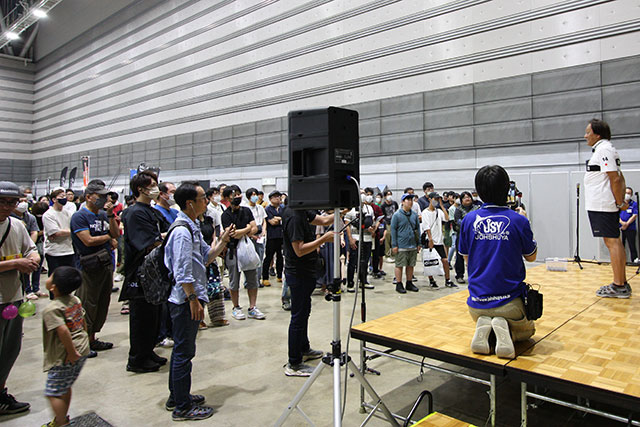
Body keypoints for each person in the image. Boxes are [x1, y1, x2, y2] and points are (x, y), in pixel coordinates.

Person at [163, 181, 229, 421]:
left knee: (183, 349)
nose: (206, 201)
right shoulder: (182, 231)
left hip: (190, 296)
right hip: (184, 300)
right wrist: (192, 299)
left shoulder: (192, 226)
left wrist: (223, 241)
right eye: (202, 198)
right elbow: (182, 271)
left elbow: (205, 257)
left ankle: (177, 396)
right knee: (184, 352)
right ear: (190, 203)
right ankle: (182, 407)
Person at [458, 165, 538, 359]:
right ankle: (508, 333)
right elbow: (531, 256)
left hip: (476, 303)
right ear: (506, 188)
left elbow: (466, 257)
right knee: (528, 332)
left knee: (486, 315)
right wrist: (525, 222)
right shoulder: (518, 220)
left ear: (479, 191)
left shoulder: (469, 219)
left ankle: (486, 329)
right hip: (509, 303)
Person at [120, 171, 169, 373]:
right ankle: (137, 359)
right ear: (141, 189)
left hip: (155, 270)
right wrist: (165, 240)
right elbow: (148, 242)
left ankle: (148, 351)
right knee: (141, 317)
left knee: (153, 315)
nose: (156, 188)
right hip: (140, 271)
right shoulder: (134, 213)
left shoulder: (151, 210)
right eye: (152, 185)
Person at [0, 181, 39, 416]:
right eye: (2, 202)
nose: (7, 206)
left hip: (13, 297)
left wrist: (33, 258)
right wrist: (16, 264)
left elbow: (30, 248)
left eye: (12, 202)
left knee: (10, 349)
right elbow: (18, 260)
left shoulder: (16, 225)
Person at [281, 206, 334, 376]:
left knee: (304, 312)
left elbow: (324, 220)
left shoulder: (302, 210)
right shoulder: (294, 216)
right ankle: (294, 363)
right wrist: (324, 239)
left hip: (307, 272)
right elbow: (299, 249)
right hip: (298, 273)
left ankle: (303, 348)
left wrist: (342, 210)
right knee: (298, 317)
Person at [70, 180, 119, 356]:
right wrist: (108, 237)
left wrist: (111, 216)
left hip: (105, 264)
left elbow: (116, 233)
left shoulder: (104, 215)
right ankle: (82, 343)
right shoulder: (79, 217)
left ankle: (92, 338)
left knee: (102, 303)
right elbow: (88, 240)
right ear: (89, 197)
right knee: (87, 304)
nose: (104, 199)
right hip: (88, 266)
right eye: (100, 196)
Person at [583, 119, 631, 298]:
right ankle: (622, 282)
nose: (585, 136)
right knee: (614, 241)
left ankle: (619, 286)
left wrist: (619, 202)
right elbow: (619, 176)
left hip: (603, 204)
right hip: (603, 204)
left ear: (597, 134)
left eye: (588, 132)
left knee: (612, 242)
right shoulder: (605, 149)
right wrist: (620, 201)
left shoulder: (604, 150)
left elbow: (615, 178)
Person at [41, 266, 89, 427]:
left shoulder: (52, 309)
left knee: (53, 392)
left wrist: (72, 352)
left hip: (66, 355)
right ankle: (62, 418)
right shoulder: (75, 300)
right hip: (83, 347)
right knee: (65, 386)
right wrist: (85, 340)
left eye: (51, 276)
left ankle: (61, 423)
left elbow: (63, 331)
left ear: (53, 287)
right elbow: (83, 321)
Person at [220, 187, 266, 320]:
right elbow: (232, 234)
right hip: (233, 251)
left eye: (238, 194)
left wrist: (245, 230)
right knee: (234, 281)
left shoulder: (246, 211)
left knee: (252, 279)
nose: (237, 197)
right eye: (234, 195)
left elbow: (255, 228)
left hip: (248, 248)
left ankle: (252, 307)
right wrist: (247, 228)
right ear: (227, 198)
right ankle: (236, 307)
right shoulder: (225, 215)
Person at [421, 192, 455, 288]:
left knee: (445, 260)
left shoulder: (439, 211)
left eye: (437, 199)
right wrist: (430, 239)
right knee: (429, 261)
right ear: (429, 199)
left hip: (439, 241)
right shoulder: (425, 212)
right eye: (435, 199)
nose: (436, 201)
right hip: (430, 240)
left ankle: (447, 280)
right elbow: (426, 227)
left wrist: (442, 206)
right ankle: (431, 280)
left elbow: (447, 219)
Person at [345, 189, 375, 292]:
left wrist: (372, 229)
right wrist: (350, 239)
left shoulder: (369, 208)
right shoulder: (351, 209)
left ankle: (363, 281)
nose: (363, 195)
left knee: (365, 261)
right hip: (356, 238)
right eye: (361, 193)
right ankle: (350, 283)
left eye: (364, 194)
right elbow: (347, 225)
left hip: (367, 239)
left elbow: (372, 222)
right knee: (353, 262)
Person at [11, 195, 41, 300]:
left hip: (13, 293)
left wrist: (32, 255)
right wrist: (15, 263)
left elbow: (33, 236)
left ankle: (33, 289)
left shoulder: (19, 223)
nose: (6, 207)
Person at [390, 194, 421, 293]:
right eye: (407, 199)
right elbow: (393, 230)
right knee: (399, 265)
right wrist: (394, 245)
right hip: (401, 245)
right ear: (402, 202)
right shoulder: (397, 215)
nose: (410, 201)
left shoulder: (414, 215)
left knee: (411, 265)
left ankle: (409, 282)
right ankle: (399, 284)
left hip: (412, 244)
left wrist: (419, 243)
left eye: (411, 199)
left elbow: (417, 229)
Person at [42, 189, 75, 275]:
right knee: (56, 277)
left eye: (65, 196)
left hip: (69, 250)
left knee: (69, 276)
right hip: (55, 251)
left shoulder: (67, 213)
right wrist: (71, 232)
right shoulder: (48, 215)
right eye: (61, 196)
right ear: (54, 199)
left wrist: (65, 232)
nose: (64, 198)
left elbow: (73, 228)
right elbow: (56, 233)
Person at [453, 192, 478, 284]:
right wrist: (470, 225)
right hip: (462, 235)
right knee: (460, 255)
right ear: (461, 200)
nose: (467, 199)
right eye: (465, 198)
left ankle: (475, 275)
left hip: (475, 235)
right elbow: (458, 221)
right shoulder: (458, 210)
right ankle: (459, 275)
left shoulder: (477, 208)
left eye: (469, 197)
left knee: (475, 255)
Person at [245, 188, 267, 287]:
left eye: (256, 194)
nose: (255, 197)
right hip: (250, 236)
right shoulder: (245, 209)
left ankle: (257, 280)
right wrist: (252, 235)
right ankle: (248, 281)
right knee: (250, 259)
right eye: (252, 195)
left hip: (260, 236)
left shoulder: (260, 208)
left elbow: (264, 221)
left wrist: (263, 231)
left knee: (260, 258)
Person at [262, 191, 284, 287]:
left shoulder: (283, 208)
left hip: (281, 236)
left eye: (278, 196)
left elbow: (285, 219)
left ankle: (280, 276)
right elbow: (272, 222)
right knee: (269, 257)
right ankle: (265, 278)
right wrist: (280, 219)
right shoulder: (267, 209)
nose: (278, 198)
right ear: (270, 199)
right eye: (275, 197)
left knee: (280, 256)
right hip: (272, 236)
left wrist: (278, 219)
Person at [620, 187, 638, 263]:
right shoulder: (620, 204)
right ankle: (621, 261)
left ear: (631, 195)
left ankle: (634, 260)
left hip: (630, 228)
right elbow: (616, 215)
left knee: (632, 245)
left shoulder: (634, 204)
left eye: (629, 193)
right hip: (620, 228)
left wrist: (627, 224)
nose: (627, 195)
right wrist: (622, 223)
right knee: (620, 246)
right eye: (626, 193)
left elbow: (634, 215)